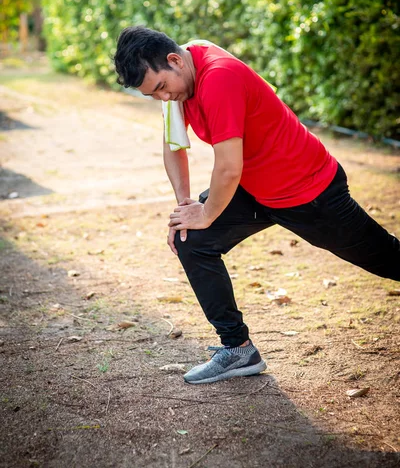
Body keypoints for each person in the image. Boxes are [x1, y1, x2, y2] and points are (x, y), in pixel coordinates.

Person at [113, 26, 400, 385]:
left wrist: (206, 213)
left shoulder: (218, 78)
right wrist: (186, 206)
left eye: (161, 88)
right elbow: (173, 146)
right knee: (190, 238)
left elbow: (228, 167)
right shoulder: (178, 81)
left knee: (387, 258)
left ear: (174, 60)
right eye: (153, 95)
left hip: (308, 190)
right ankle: (238, 349)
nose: (164, 98)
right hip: (255, 189)